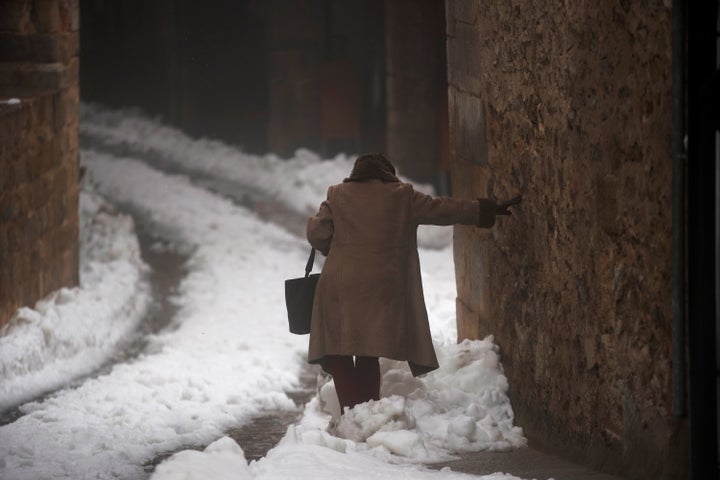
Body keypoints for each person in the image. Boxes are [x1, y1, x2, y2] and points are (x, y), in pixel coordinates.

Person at [306, 153, 521, 414]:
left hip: (340, 284)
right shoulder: (402, 196)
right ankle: (365, 412)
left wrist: (337, 246)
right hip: (381, 286)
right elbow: (444, 208)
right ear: (388, 174)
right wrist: (487, 209)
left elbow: (317, 233)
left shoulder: (337, 194)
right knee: (367, 349)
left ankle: (351, 412)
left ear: (356, 173)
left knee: (338, 349)